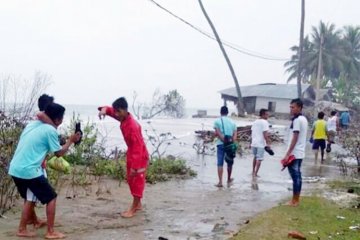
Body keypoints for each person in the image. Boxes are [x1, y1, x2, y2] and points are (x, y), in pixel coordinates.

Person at [8, 103, 81, 239]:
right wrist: (71, 141)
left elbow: (40, 116)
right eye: (62, 118)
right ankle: (50, 232)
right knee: (51, 197)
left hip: (15, 168)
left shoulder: (32, 124)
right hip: (29, 170)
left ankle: (22, 229)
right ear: (58, 119)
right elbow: (59, 153)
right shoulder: (50, 130)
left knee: (30, 198)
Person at [98, 97, 149, 218]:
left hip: (140, 155)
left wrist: (135, 167)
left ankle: (133, 208)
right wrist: (103, 110)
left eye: (118, 112)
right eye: (116, 112)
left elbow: (138, 146)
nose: (116, 114)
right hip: (132, 153)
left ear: (125, 110)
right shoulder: (123, 117)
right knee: (130, 179)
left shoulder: (132, 126)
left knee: (137, 181)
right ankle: (138, 204)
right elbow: (111, 111)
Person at [26, 94, 55, 229]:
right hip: (34, 167)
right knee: (41, 197)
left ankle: (34, 220)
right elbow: (40, 114)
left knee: (31, 196)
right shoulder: (43, 120)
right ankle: (24, 227)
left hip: (32, 164)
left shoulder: (35, 122)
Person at [282, 98, 308, 207]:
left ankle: (295, 200)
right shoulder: (303, 119)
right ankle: (296, 199)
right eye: (290, 107)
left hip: (295, 153)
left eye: (293, 107)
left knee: (295, 176)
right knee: (297, 176)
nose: (291, 109)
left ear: (299, 107)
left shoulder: (297, 120)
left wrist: (288, 153)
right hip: (299, 152)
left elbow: (295, 137)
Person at [213, 106, 237, 188]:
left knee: (220, 163)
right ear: (227, 113)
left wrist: (223, 140)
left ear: (220, 112)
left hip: (220, 144)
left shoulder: (217, 121)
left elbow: (217, 133)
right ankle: (229, 179)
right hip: (230, 145)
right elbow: (235, 136)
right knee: (229, 162)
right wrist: (230, 143)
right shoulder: (233, 122)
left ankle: (220, 182)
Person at [251, 109, 271, 178]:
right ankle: (255, 173)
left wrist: (251, 142)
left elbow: (252, 132)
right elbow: (265, 134)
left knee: (255, 157)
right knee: (259, 159)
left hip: (254, 143)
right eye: (267, 114)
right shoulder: (265, 122)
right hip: (260, 144)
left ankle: (253, 171)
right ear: (263, 115)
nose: (268, 116)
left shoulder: (255, 122)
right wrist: (268, 143)